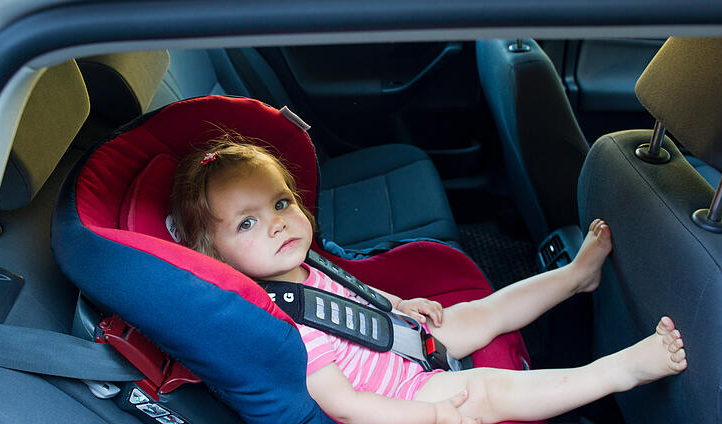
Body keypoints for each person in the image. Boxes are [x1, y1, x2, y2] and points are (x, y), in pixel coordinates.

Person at [170, 139, 688, 424]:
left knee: (484, 312)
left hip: (405, 341)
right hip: (408, 392)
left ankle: (575, 276)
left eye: (281, 203)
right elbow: (344, 404)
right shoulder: (278, 322)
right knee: (487, 391)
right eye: (247, 223)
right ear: (217, 259)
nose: (278, 222)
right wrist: (431, 415)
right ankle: (620, 371)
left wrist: (401, 304)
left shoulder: (305, 267)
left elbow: (354, 297)